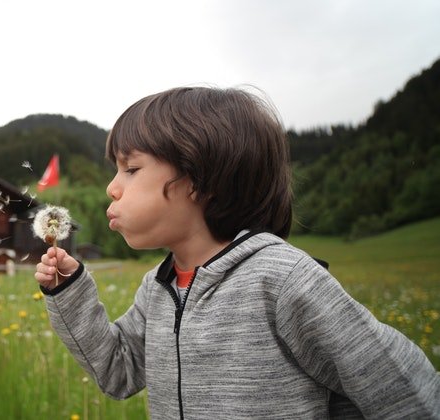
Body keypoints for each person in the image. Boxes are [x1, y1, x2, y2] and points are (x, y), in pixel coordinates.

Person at [34, 86, 440, 419]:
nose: (112, 187)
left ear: (197, 178)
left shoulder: (281, 279)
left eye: (131, 169)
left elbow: (403, 390)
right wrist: (69, 292)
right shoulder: (158, 288)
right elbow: (117, 372)